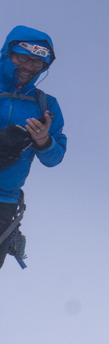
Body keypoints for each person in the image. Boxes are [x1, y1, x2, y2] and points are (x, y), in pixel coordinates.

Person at [0, 26, 66, 271]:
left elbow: (54, 158)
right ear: (8, 53)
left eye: (37, 64)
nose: (28, 67)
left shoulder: (46, 105)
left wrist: (42, 141)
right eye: (22, 58)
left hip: (3, 202)